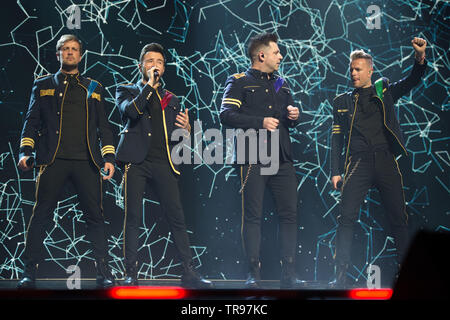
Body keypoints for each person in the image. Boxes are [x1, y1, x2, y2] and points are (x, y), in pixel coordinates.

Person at [17, 34, 116, 289]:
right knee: (40, 215)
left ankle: (104, 271)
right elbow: (31, 122)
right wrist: (25, 152)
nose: (70, 52)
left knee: (95, 217)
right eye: (65, 49)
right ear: (58, 53)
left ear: (80, 55)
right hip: (52, 160)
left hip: (87, 161)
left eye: (74, 49)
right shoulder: (42, 85)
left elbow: (103, 126)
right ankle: (29, 272)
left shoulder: (94, 86)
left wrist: (109, 157)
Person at [330, 37, 428, 288]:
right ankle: (340, 275)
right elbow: (337, 141)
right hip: (358, 163)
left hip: (385, 160)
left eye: (358, 69)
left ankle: (406, 274)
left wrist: (419, 58)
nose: (353, 73)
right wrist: (335, 172)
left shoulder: (384, 89)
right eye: (351, 69)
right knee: (346, 218)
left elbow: (412, 81)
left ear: (370, 71)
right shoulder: (341, 102)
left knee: (399, 218)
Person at [115, 43, 213, 288]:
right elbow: (132, 112)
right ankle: (131, 274)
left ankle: (189, 271)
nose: (155, 65)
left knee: (177, 217)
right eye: (150, 61)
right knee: (134, 218)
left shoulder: (172, 99)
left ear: (164, 67)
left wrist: (186, 130)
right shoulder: (126, 90)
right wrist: (149, 85)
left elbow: (177, 136)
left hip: (163, 162)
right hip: (136, 161)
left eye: (159, 62)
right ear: (141, 66)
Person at [220, 32, 302, 289]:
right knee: (252, 216)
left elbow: (289, 117)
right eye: (277, 52)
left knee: (289, 215)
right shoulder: (239, 81)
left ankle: (288, 274)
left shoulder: (282, 83)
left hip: (282, 157)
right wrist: (259, 123)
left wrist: (294, 116)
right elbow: (226, 114)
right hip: (252, 156)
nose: (281, 56)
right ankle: (253, 274)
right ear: (261, 55)